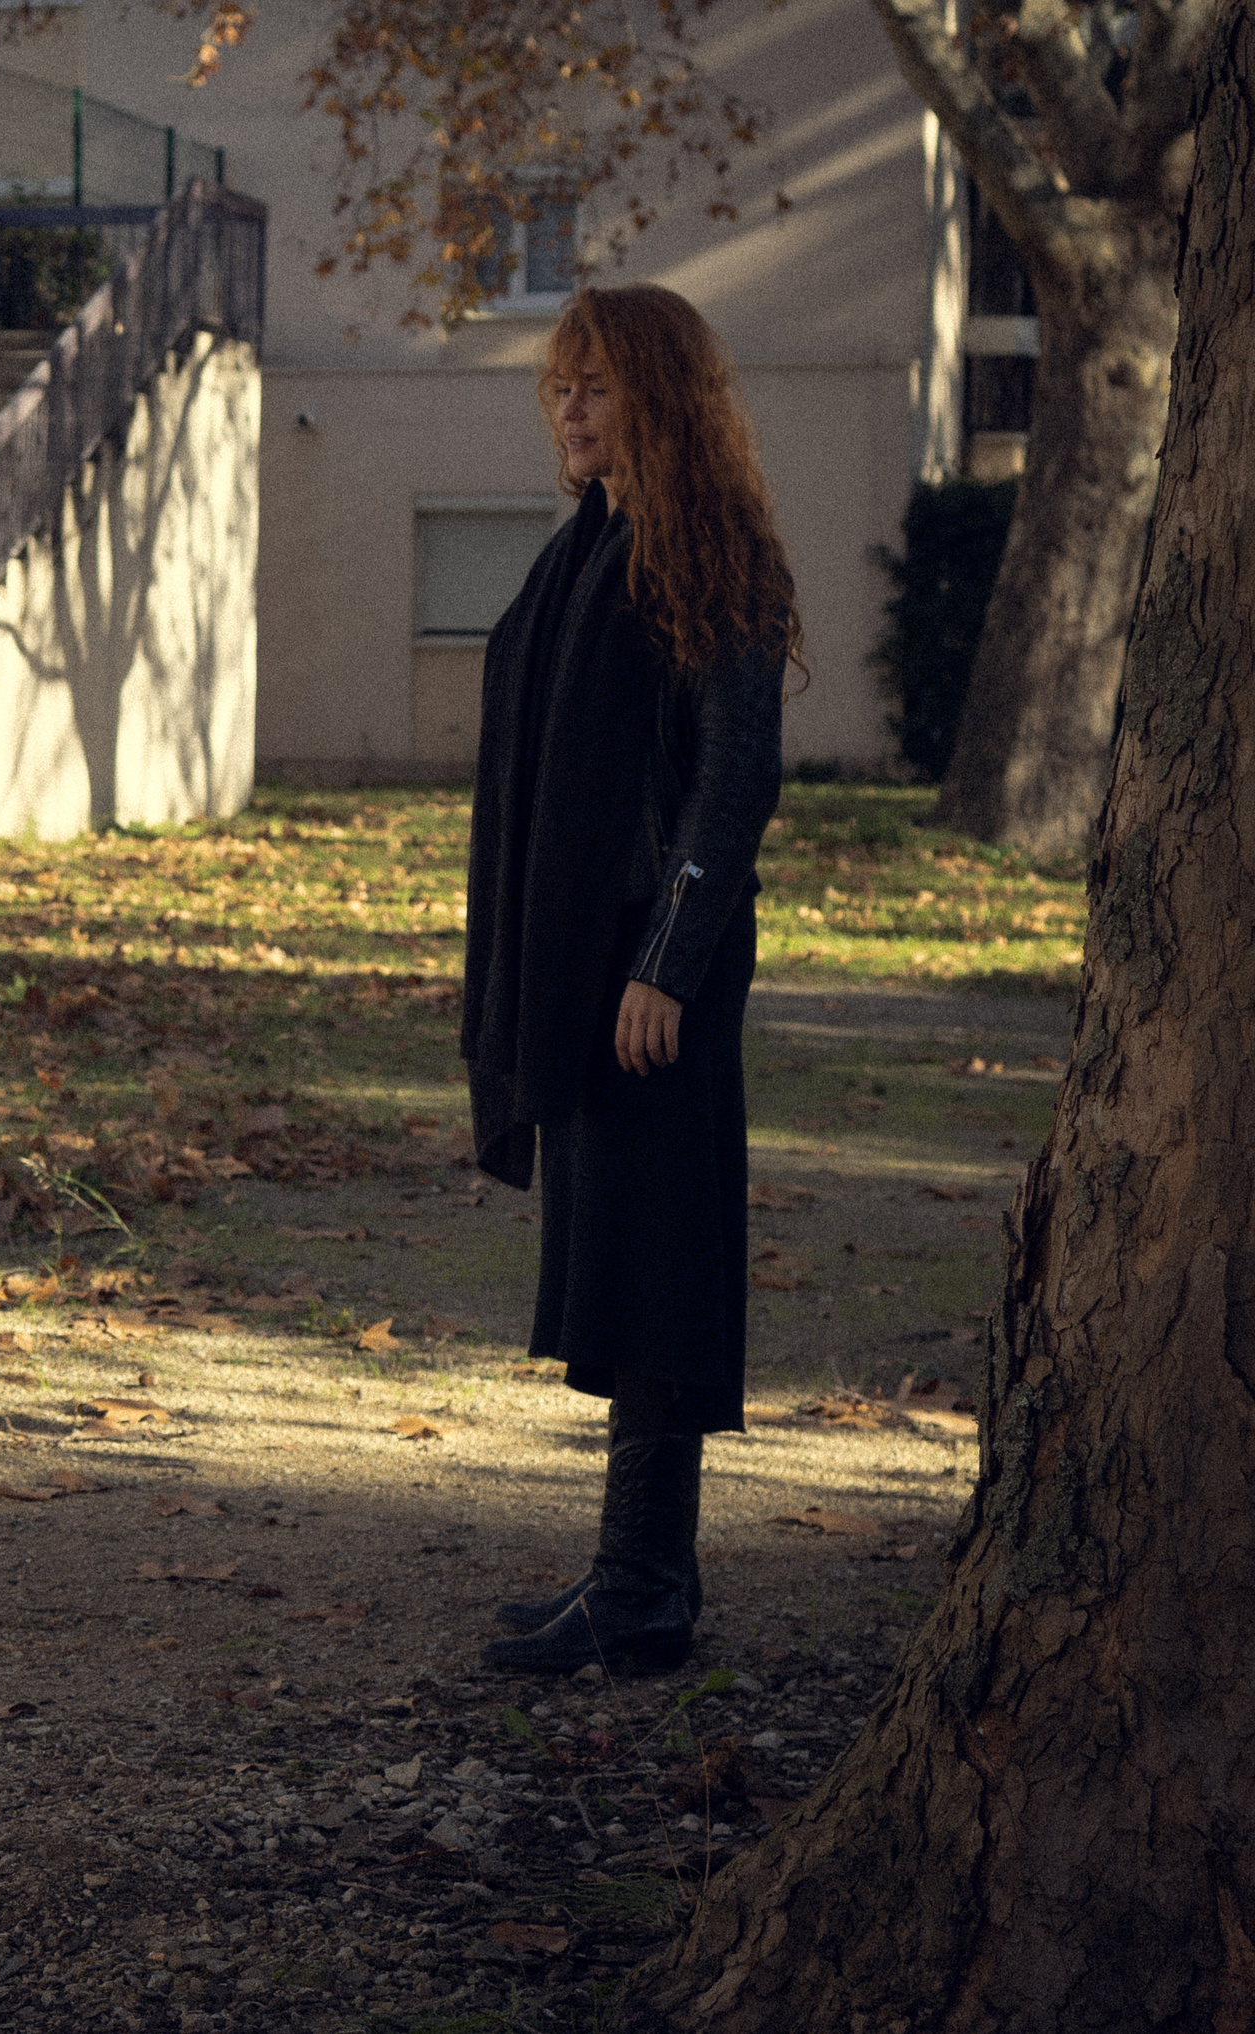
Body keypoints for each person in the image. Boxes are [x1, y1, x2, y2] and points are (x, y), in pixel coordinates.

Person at [460, 284, 800, 1676]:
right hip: (591, 976)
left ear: (658, 395)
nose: (571, 408)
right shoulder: (590, 547)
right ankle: (635, 1574)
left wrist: (667, 961)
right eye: (559, 387)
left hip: (657, 980)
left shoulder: (711, 550)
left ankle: (645, 1590)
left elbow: (734, 785)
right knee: (618, 1266)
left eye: (597, 385)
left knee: (657, 1268)